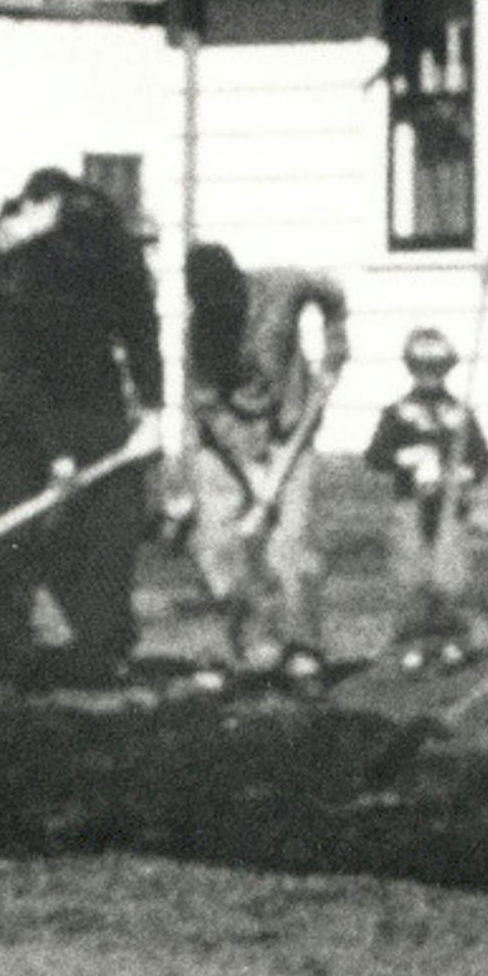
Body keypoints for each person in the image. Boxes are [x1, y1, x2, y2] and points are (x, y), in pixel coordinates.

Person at [0, 167, 163, 686]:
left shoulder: (109, 248)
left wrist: (154, 414)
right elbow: (2, 359)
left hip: (93, 399)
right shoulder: (8, 257)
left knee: (111, 521)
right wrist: (53, 451)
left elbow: (140, 329)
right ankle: (9, 653)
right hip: (5, 401)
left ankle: (105, 647)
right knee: (11, 530)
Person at [183, 241, 349, 687]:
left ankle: (301, 649)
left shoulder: (283, 285)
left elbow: (331, 292)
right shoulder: (199, 331)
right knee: (218, 543)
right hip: (222, 444)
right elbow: (208, 406)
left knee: (292, 542)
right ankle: (219, 652)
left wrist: (335, 347)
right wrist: (251, 470)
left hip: (289, 428)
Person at [364, 327, 488, 672]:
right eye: (422, 367)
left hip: (450, 508)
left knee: (450, 575)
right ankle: (412, 643)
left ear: (448, 368)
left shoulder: (460, 413)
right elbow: (374, 456)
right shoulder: (398, 412)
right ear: (410, 368)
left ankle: (453, 641)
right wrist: (404, 457)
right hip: (410, 504)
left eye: (437, 367)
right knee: (411, 575)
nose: (430, 375)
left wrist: (465, 473)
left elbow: (483, 458)